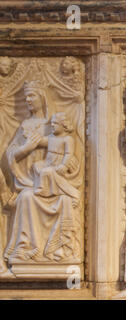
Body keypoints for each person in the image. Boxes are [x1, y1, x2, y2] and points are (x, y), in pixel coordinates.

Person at [5, 80, 80, 262]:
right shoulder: (25, 125)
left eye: (32, 96)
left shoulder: (55, 125)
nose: (28, 100)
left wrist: (66, 165)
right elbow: (10, 155)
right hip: (30, 182)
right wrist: (26, 148)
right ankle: (26, 248)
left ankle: (58, 249)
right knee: (26, 197)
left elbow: (72, 159)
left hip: (54, 182)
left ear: (42, 98)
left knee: (61, 199)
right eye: (26, 97)